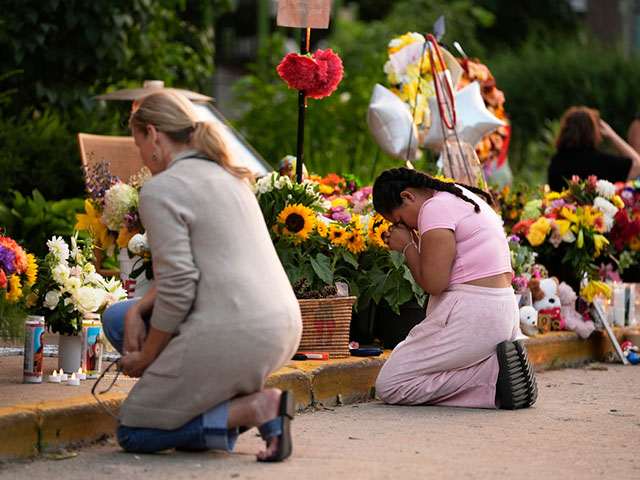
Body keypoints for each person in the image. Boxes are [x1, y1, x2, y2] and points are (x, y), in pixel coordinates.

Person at [101, 90, 302, 461]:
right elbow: (201, 267)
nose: (141, 156)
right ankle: (214, 420)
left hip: (236, 330)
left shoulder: (162, 189)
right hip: (281, 326)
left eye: (138, 144)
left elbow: (179, 288)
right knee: (118, 317)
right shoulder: (231, 176)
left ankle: (255, 408)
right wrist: (135, 310)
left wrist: (147, 356)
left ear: (154, 135)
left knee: (134, 431)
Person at [371, 167, 537, 410]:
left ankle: (492, 375)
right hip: (500, 313)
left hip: (474, 316)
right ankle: (493, 371)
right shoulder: (457, 196)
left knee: (391, 383)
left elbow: (434, 284)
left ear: (407, 197)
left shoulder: (433, 208)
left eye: (399, 220)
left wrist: (407, 247)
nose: (403, 227)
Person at [548, 106, 640, 192]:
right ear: (593, 132)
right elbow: (637, 163)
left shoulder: (556, 161)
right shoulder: (602, 161)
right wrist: (612, 135)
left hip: (560, 209)